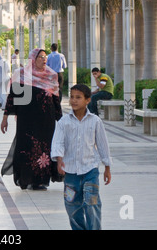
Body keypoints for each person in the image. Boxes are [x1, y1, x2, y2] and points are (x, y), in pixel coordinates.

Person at [51, 84, 112, 230]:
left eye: (78, 97)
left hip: (90, 170)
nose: (73, 100)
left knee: (92, 204)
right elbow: (58, 142)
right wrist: (59, 160)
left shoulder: (95, 121)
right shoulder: (63, 122)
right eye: (72, 97)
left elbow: (103, 145)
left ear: (87, 100)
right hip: (70, 172)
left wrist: (107, 168)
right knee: (72, 207)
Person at [0, 48, 63, 190]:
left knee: (44, 149)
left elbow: (56, 99)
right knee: (26, 147)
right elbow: (13, 98)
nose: (44, 59)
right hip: (26, 119)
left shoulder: (51, 75)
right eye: (40, 57)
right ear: (33, 59)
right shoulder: (21, 74)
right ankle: (25, 178)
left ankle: (40, 181)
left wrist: (61, 119)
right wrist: (5, 118)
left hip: (46, 119)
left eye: (45, 57)